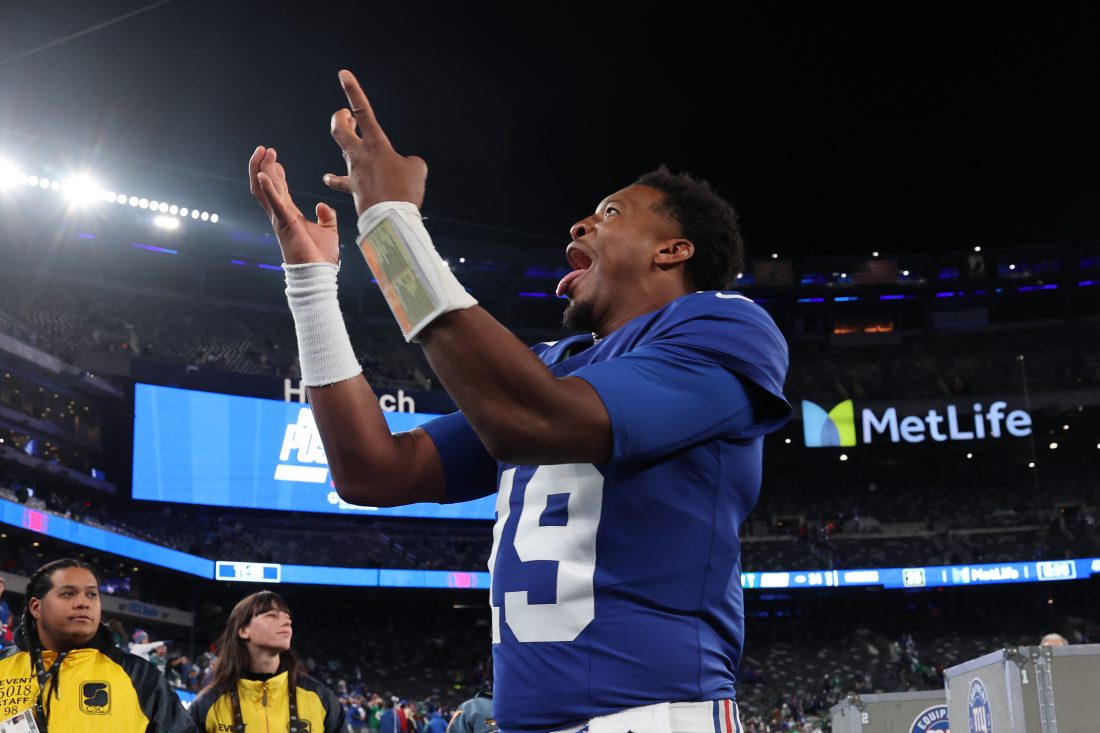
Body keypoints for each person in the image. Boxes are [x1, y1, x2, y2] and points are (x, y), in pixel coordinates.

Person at [249, 69, 790, 733]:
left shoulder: (723, 325)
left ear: (674, 250)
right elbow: (373, 470)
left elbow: (539, 418)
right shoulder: (548, 367)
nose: (582, 222)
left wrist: (392, 223)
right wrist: (310, 284)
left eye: (612, 213)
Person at [0, 558, 196, 732]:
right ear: (36, 607)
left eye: (92, 595)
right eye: (68, 594)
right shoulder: (4, 666)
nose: (83, 603)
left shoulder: (139, 676)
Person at [188, 590, 345, 733]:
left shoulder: (320, 698)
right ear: (243, 630)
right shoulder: (207, 704)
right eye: (271, 615)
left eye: (287, 617)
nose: (287, 622)